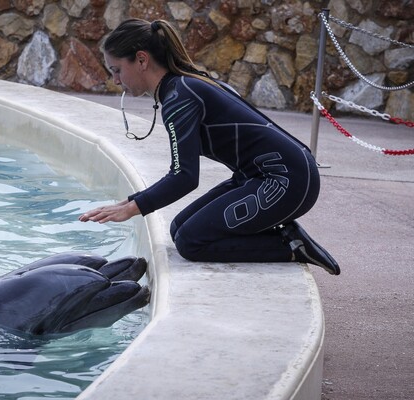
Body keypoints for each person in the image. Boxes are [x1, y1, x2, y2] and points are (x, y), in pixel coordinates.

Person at [78, 18, 340, 275]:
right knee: (179, 228)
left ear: (142, 60)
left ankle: (290, 245)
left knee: (192, 241)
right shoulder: (184, 85)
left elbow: (185, 176)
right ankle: (283, 233)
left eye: (116, 70)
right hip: (263, 175)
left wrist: (133, 208)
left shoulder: (180, 98)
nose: (115, 80)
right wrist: (132, 200)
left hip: (287, 180)